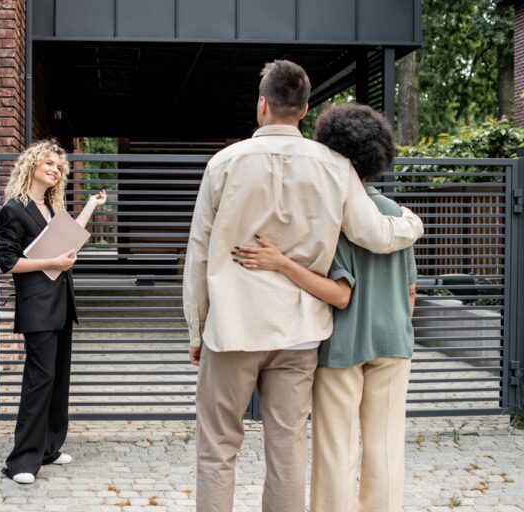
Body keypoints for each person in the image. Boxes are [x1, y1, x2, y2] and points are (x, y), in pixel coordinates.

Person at [182, 60, 424, 512]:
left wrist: (196, 330)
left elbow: (199, 254)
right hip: (299, 332)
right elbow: (372, 233)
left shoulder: (224, 164)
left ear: (262, 105)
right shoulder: (335, 167)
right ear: (305, 108)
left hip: (233, 327)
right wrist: (412, 225)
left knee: (217, 448)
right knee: (288, 448)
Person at [234, 104, 417, 512]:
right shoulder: (395, 214)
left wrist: (282, 263)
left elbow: (338, 290)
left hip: (343, 345)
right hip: (395, 343)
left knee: (336, 448)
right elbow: (410, 291)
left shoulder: (330, 214)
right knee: (386, 449)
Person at [0, 139, 106, 485]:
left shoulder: (50, 210)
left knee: (58, 381)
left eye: (59, 167)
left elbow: (69, 240)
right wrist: (53, 262)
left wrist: (89, 205)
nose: (55, 170)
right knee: (38, 382)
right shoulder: (14, 209)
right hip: (37, 306)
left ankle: (49, 448)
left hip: (61, 303)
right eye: (49, 164)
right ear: (31, 165)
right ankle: (22, 461)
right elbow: (8, 262)